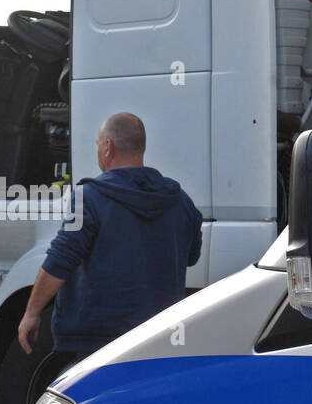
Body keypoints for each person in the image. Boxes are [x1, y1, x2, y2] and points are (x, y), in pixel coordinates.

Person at [17, 111, 203, 358]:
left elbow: (61, 260)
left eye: (97, 144)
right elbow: (192, 256)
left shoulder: (90, 199)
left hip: (96, 343)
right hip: (160, 338)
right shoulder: (180, 201)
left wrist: (31, 312)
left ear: (108, 147)